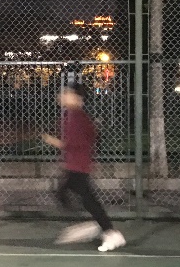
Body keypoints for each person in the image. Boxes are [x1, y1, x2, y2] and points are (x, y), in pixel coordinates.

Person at [42, 83, 126, 252]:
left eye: (66, 93)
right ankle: (97, 226)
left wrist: (53, 141)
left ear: (77, 98)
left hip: (79, 165)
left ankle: (108, 231)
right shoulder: (71, 115)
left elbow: (73, 143)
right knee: (67, 194)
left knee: (86, 198)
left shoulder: (77, 117)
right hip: (76, 163)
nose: (62, 96)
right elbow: (92, 136)